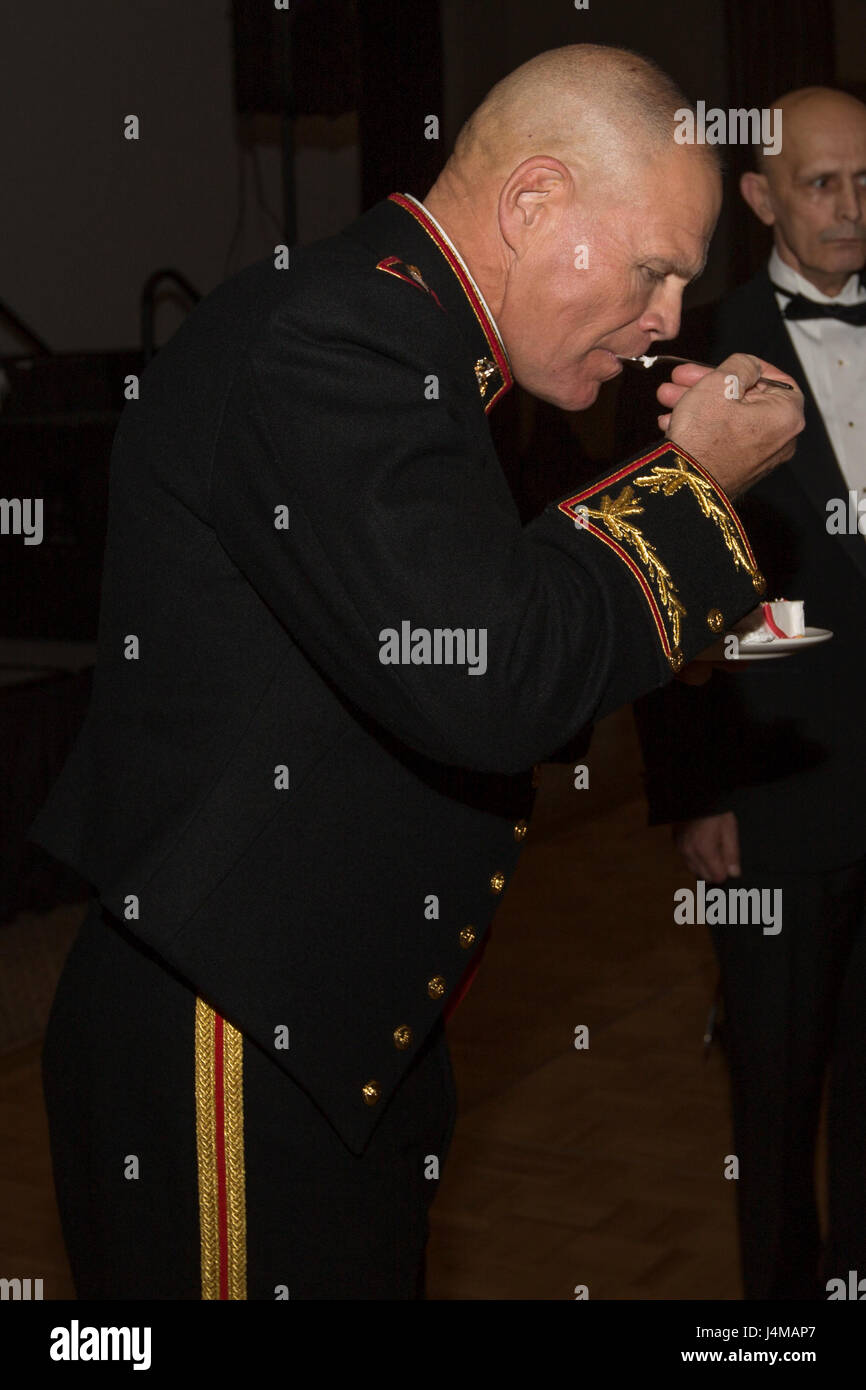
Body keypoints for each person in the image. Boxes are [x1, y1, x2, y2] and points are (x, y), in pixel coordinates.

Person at [30, 45, 803, 1300]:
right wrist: (692, 485)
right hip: (233, 1030)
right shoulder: (344, 334)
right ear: (533, 200)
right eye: (651, 267)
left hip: (327, 1017)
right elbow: (483, 672)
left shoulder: (409, 332)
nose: (666, 316)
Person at [634, 86, 866, 1301]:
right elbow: (659, 592)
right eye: (820, 184)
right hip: (770, 789)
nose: (847, 207)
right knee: (773, 1096)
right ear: (760, 196)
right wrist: (695, 790)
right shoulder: (698, 353)